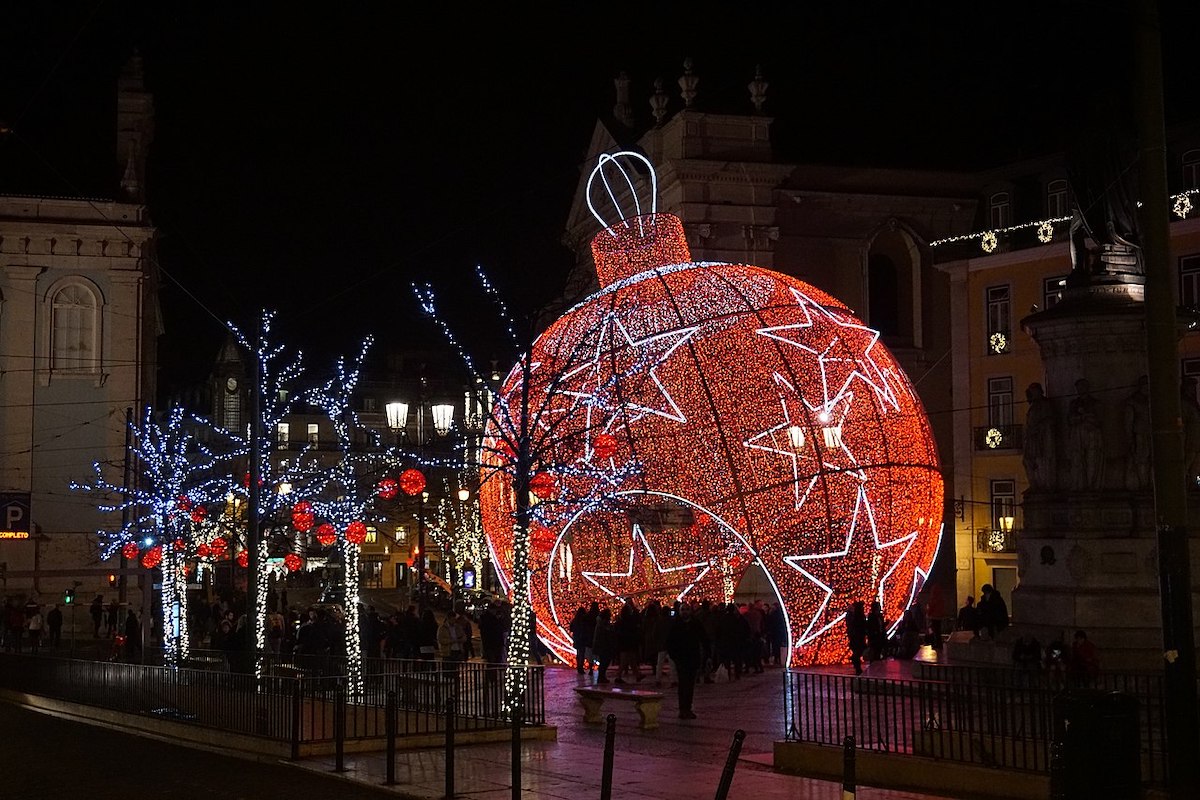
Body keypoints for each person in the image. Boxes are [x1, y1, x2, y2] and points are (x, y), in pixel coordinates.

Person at [665, 601, 704, 719]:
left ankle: (688, 707)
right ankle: (683, 709)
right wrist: (674, 656)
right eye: (683, 610)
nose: (685, 612)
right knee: (683, 684)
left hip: (693, 657)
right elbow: (670, 641)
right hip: (681, 658)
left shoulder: (696, 623)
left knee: (690, 684)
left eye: (687, 609)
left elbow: (703, 638)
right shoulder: (675, 625)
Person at [1067, 378, 1104, 490]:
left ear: (1087, 388)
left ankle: (1090, 485)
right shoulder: (1074, 404)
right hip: (1078, 435)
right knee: (1078, 460)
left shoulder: (1095, 403)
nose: (1080, 390)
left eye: (1082, 387)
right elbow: (1070, 419)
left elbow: (1098, 420)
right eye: (1078, 387)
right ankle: (1080, 484)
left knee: (1091, 460)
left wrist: (1083, 417)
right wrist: (1085, 416)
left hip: (1092, 435)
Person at [1023, 382, 1058, 489]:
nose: (1033, 394)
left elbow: (1049, 420)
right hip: (1032, 437)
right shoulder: (1033, 406)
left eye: (1034, 391)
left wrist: (1037, 428)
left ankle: (1042, 484)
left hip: (1041, 437)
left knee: (1040, 460)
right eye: (1031, 392)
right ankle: (1035, 484)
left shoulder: (1045, 404)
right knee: (1028, 461)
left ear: (1039, 391)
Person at [1123, 375, 1152, 490]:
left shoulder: (1153, 399)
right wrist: (1130, 439)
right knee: (1141, 459)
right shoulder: (1133, 401)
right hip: (1140, 434)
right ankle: (1143, 483)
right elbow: (1128, 422)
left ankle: (1150, 483)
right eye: (1145, 385)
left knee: (1151, 460)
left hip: (1153, 434)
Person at [591, 608, 616, 684]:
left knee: (604, 661)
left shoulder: (601, 623)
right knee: (604, 661)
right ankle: (601, 677)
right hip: (603, 645)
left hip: (602, 645)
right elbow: (604, 634)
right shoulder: (602, 624)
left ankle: (602, 676)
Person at [845, 601, 867, 675]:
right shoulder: (857, 616)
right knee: (858, 651)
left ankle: (856, 663)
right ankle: (856, 663)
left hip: (857, 637)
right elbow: (860, 626)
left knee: (858, 651)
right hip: (857, 637)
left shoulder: (856, 616)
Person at [569, 606, 592, 675]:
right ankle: (580, 667)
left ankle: (579, 667)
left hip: (576, 638)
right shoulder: (584, 619)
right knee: (581, 653)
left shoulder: (575, 619)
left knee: (578, 653)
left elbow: (571, 628)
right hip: (582, 638)